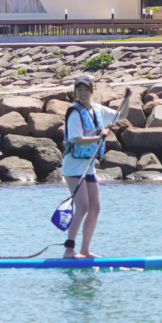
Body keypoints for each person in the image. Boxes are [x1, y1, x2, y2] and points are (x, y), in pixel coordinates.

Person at [61, 74, 120, 259]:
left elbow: (121, 115)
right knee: (83, 206)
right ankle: (69, 251)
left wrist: (127, 98)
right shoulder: (74, 113)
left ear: (92, 90)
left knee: (94, 207)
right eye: (79, 89)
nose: (82, 93)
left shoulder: (96, 109)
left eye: (86, 89)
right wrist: (99, 137)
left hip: (89, 167)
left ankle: (85, 251)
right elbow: (77, 139)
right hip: (73, 167)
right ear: (75, 92)